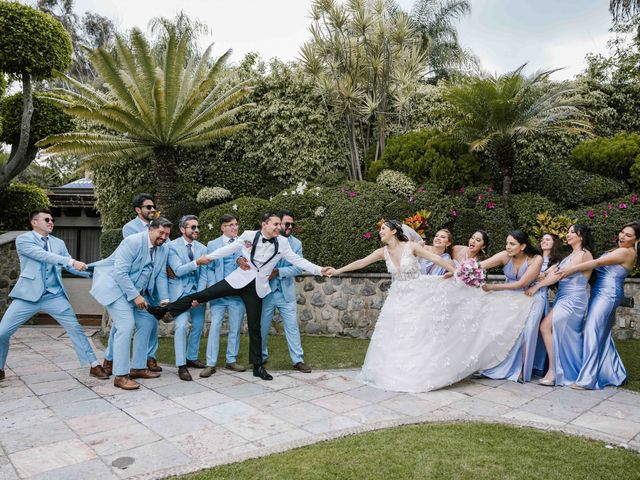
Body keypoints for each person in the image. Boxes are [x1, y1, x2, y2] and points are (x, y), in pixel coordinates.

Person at [326, 220, 533, 393]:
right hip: (397, 298)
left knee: (416, 335)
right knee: (394, 335)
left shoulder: (412, 247)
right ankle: (390, 372)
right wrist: (337, 271)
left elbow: (436, 258)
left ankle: (413, 373)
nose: (380, 232)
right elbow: (361, 262)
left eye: (383, 229)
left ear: (394, 232)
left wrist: (456, 272)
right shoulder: (383, 252)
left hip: (418, 295)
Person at [148, 212, 331, 381]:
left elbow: (298, 261)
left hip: (256, 287)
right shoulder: (249, 236)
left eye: (279, 225)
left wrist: (320, 270)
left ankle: (258, 366)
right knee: (203, 294)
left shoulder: (282, 243)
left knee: (255, 326)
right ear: (264, 224)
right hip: (237, 279)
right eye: (275, 224)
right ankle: (163, 311)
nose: (278, 227)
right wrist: (209, 258)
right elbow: (229, 249)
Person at [0, 209, 108, 382]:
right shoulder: (24, 240)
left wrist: (91, 272)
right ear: (34, 222)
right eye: (47, 219)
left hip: (54, 295)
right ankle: (0, 367)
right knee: (2, 332)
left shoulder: (58, 243)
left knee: (76, 329)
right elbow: (43, 255)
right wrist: (71, 261)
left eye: (52, 220)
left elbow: (69, 266)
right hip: (27, 296)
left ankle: (94, 364)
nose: (51, 222)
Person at [90, 217, 172, 390]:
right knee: (126, 326)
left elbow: (161, 275)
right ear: (151, 229)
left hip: (138, 293)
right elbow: (120, 273)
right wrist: (135, 296)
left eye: (167, 234)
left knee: (148, 322)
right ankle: (120, 375)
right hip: (117, 290)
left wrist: (165, 300)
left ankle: (138, 368)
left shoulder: (163, 248)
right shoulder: (132, 242)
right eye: (161, 233)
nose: (164, 237)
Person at [557, 221, 639, 390]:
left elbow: (597, 264)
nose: (622, 236)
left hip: (608, 294)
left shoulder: (626, 252)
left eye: (628, 235)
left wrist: (571, 269)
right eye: (622, 232)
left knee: (591, 330)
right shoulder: (618, 249)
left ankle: (587, 380)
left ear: (637, 240)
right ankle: (614, 374)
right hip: (601, 293)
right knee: (602, 335)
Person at [103, 192, 162, 375]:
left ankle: (146, 358)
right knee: (122, 325)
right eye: (148, 207)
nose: (152, 210)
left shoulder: (159, 228)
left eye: (153, 207)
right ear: (138, 210)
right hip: (129, 284)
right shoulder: (130, 229)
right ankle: (110, 360)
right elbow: (136, 256)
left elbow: (160, 250)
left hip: (148, 284)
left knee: (149, 323)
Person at [530, 224, 594, 386]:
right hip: (563, 296)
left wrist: (537, 286)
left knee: (545, 327)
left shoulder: (585, 254)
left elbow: (559, 275)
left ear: (581, 235)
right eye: (568, 231)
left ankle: (553, 371)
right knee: (566, 335)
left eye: (572, 232)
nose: (568, 234)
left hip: (574, 298)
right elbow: (551, 273)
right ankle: (570, 370)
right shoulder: (570, 255)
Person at [477, 231, 543, 383]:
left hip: (530, 296)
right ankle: (489, 363)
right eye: (507, 243)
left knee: (526, 329)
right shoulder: (505, 255)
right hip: (510, 296)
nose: (508, 247)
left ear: (523, 246)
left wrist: (492, 287)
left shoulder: (536, 259)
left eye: (512, 244)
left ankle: (520, 369)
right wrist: (459, 272)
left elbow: (521, 284)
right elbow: (479, 265)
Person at [257, 210, 312, 373]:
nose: (289, 227)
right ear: (277, 224)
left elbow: (298, 268)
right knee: (262, 327)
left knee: (292, 327)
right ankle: (260, 357)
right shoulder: (264, 240)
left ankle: (298, 360)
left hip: (286, 293)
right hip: (266, 293)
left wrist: (279, 272)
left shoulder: (296, 244)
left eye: (292, 225)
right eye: (286, 224)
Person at [201, 214, 247, 378]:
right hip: (218, 294)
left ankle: (231, 360)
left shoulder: (243, 244)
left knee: (235, 328)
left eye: (236, 224)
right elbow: (209, 268)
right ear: (223, 227)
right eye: (231, 225)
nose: (235, 227)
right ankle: (210, 363)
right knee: (215, 327)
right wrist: (215, 288)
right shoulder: (212, 244)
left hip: (237, 293)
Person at [167, 215, 210, 381]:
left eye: (198, 227)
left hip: (197, 295)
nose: (197, 230)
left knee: (198, 326)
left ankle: (191, 357)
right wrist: (196, 262)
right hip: (179, 295)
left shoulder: (203, 248)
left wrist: (198, 295)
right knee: (181, 326)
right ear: (182, 229)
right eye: (193, 227)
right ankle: (181, 365)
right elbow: (177, 270)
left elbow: (204, 276)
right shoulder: (172, 246)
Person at [531, 233, 565, 376]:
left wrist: (538, 274)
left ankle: (536, 365)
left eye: (547, 239)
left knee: (538, 329)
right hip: (526, 294)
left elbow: (543, 276)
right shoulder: (534, 257)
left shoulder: (556, 262)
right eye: (542, 239)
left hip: (540, 295)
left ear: (554, 243)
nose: (543, 241)